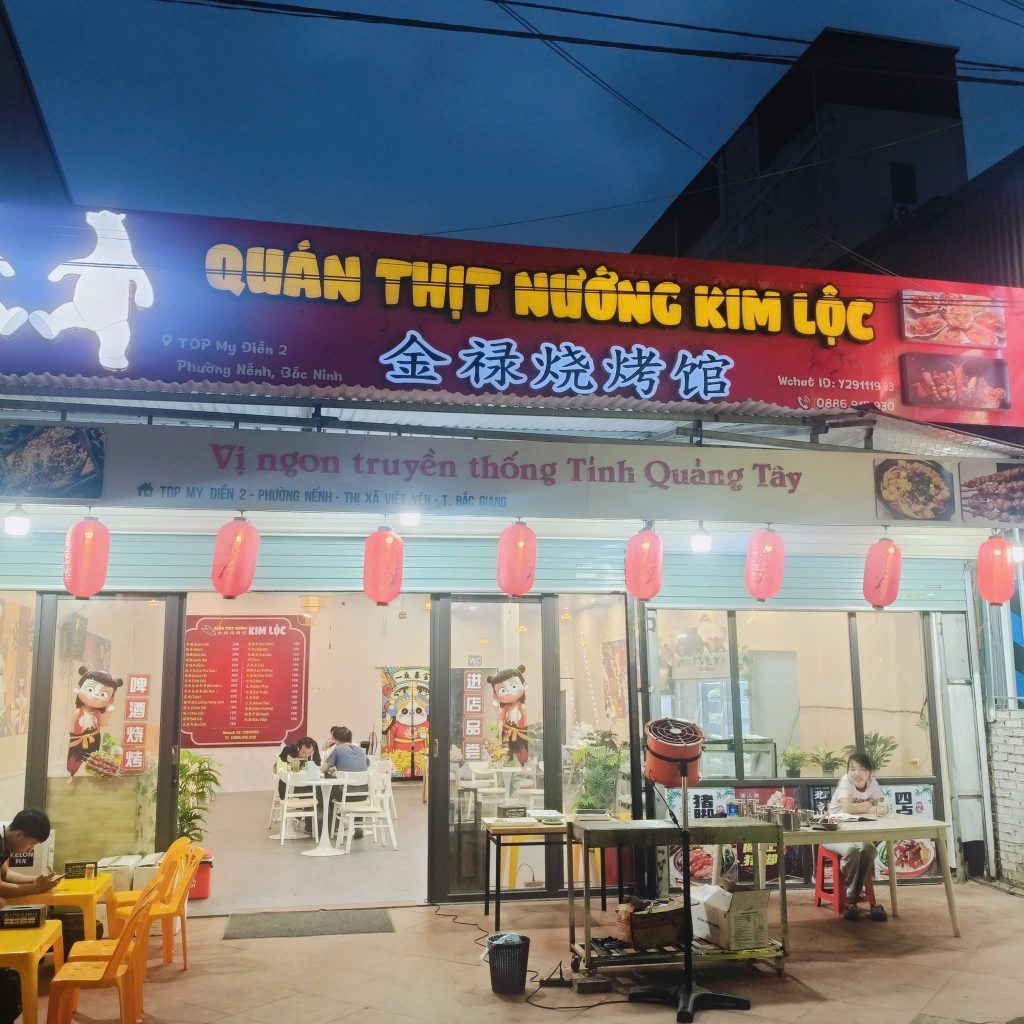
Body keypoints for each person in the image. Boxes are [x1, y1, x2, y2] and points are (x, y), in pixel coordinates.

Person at [825, 752, 887, 921]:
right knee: (851, 851)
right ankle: (851, 899)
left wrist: (865, 807)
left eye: (862, 769)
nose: (857, 774)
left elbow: (882, 808)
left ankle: (851, 898)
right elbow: (847, 808)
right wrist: (870, 804)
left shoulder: (872, 783)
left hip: (856, 832)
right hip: (833, 832)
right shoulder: (846, 781)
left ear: (870, 773)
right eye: (852, 769)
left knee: (870, 849)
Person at [0, 808, 59, 900]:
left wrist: (36, 879)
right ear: (19, 834)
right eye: (32, 843)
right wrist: (37, 888)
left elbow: (5, 874)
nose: (31, 849)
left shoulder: (5, 842)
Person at [324, 726, 370, 839]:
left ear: (336, 739)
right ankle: (358, 826)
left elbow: (323, 769)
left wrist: (335, 771)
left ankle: (329, 827)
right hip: (363, 795)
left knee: (326, 788)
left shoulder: (338, 749)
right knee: (355, 786)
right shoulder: (360, 750)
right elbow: (367, 764)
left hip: (345, 795)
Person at [278, 737, 322, 835]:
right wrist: (290, 761)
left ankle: (310, 825)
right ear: (298, 748)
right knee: (309, 791)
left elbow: (317, 764)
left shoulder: (314, 748)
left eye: (309, 753)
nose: (306, 755)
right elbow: (279, 766)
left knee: (314, 789)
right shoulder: (289, 749)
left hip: (305, 783)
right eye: (303, 753)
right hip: (288, 783)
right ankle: (298, 819)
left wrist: (310, 763)